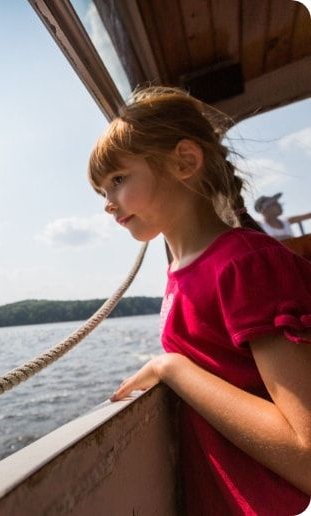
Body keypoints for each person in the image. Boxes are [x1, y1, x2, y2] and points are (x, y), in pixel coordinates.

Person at [88, 86, 311, 515]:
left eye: (117, 180)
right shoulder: (181, 273)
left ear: (184, 162)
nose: (107, 205)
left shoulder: (244, 264)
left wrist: (169, 366)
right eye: (102, 191)